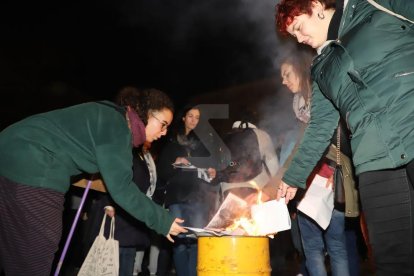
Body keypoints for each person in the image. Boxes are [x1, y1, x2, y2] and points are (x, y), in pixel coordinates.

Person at [275, 0, 414, 275]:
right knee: (392, 260)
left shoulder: (375, 5)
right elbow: (320, 127)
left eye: (300, 29)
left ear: (316, 5)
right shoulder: (322, 66)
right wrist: (293, 177)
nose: (300, 39)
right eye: (295, 37)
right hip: (375, 160)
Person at [0, 87, 187, 275]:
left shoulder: (108, 115)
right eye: (163, 124)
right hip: (35, 167)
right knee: (37, 250)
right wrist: (163, 221)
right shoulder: (118, 126)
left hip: (8, 156)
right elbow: (122, 188)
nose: (164, 132)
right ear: (147, 113)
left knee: (15, 251)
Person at [280, 49, 360, 276]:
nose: (283, 81)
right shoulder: (306, 104)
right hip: (319, 185)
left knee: (321, 248)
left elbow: (319, 143)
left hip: (325, 183)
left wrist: (290, 177)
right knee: (330, 247)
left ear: (299, 69)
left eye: (287, 74)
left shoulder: (319, 100)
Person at [157, 105, 218, 276]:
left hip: (198, 200)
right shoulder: (171, 142)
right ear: (183, 118)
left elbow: (218, 168)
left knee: (197, 243)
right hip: (176, 198)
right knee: (180, 243)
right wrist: (175, 163)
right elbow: (162, 172)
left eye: (197, 117)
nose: (193, 120)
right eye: (190, 116)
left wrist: (213, 172)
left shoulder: (205, 145)